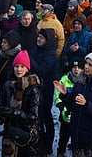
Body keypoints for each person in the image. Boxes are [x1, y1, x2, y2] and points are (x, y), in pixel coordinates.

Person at [53, 52, 92, 153]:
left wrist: (86, 104)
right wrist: (65, 94)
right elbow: (73, 105)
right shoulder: (80, 82)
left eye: (90, 65)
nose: (86, 67)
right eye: (86, 63)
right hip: (78, 137)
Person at [0, 50, 43, 157]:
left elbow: (34, 117)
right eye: (16, 66)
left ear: (27, 68)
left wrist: (14, 112)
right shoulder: (7, 85)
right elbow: (2, 104)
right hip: (9, 132)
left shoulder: (33, 89)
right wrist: (1, 114)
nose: (19, 69)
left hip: (27, 134)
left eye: (22, 66)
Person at [29, 28, 57, 156]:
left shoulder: (50, 54)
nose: (39, 39)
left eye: (42, 38)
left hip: (45, 90)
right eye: (38, 36)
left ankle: (48, 144)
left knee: (46, 116)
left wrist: (29, 60)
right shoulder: (35, 49)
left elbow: (42, 69)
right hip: (34, 88)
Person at [54, 57, 83, 157]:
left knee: (77, 140)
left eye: (79, 67)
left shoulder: (84, 81)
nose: (76, 69)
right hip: (65, 114)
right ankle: (60, 153)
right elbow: (58, 95)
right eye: (74, 67)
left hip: (79, 116)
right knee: (63, 138)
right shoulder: (64, 79)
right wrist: (61, 106)